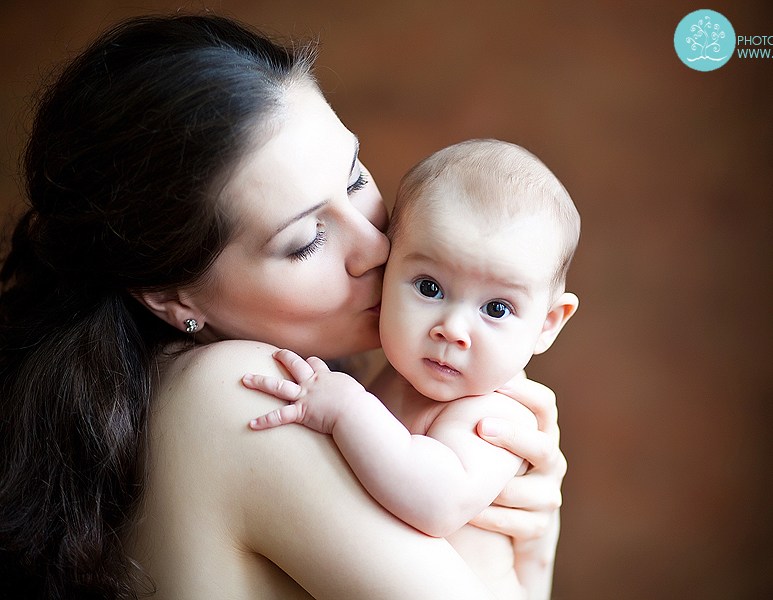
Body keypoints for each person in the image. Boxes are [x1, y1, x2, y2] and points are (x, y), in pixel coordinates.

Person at [0, 13, 567, 600]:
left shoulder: (149, 396)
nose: (377, 248)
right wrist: (531, 561)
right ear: (173, 297)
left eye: (354, 181)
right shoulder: (233, 392)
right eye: (305, 241)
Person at [242, 139, 580, 599]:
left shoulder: (499, 416)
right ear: (388, 271)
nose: (453, 328)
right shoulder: (394, 377)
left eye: (497, 308)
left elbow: (436, 503)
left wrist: (346, 410)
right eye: (429, 286)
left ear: (546, 325)